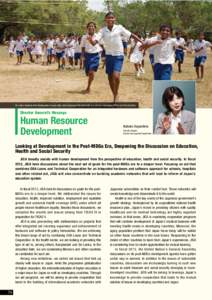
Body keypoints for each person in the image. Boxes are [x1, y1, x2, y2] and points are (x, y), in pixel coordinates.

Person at [88, 12, 143, 102]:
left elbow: (131, 35)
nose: (110, 19)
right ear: (105, 20)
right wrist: (91, 40)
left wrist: (142, 42)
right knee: (110, 77)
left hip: (118, 55)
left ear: (114, 19)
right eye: (108, 18)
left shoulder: (119, 28)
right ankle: (114, 94)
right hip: (109, 56)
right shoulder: (102, 30)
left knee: (116, 76)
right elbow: (95, 42)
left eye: (112, 18)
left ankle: (116, 94)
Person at [81, 22, 102, 93]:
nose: (91, 27)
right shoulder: (84, 37)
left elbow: (94, 44)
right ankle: (89, 79)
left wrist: (104, 54)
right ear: (87, 28)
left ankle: (88, 87)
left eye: (92, 26)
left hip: (96, 55)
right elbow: (83, 47)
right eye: (89, 26)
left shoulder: (98, 36)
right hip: (87, 56)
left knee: (91, 72)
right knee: (88, 73)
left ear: (95, 28)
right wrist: (82, 56)